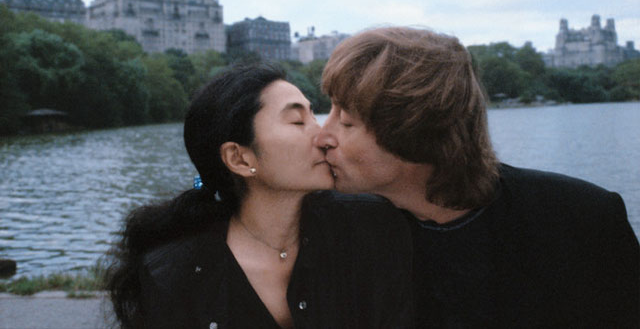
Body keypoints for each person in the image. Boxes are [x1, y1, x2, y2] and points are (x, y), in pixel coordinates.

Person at [316, 27, 639, 328]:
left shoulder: (582, 219)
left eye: (345, 121)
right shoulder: (344, 233)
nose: (322, 137)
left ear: (412, 131)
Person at [105, 64, 413, 329]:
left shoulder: (368, 229)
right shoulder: (174, 276)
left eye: (313, 116)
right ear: (240, 159)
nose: (322, 136)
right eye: (297, 122)